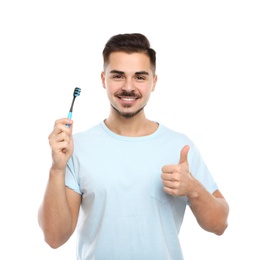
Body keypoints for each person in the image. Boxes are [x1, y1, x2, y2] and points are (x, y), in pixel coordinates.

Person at [38, 33, 229, 260]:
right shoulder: (76, 147)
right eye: (118, 76)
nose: (128, 87)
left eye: (140, 77)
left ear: (153, 82)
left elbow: (220, 224)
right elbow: (54, 238)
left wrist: (193, 189)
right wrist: (56, 168)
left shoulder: (180, 147)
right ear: (103, 79)